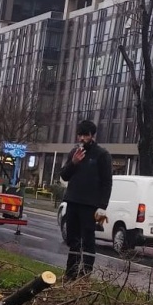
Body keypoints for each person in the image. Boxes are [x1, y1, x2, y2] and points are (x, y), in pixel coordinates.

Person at [59, 119, 113, 279]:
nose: (82, 139)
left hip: (90, 205)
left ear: (92, 136)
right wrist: (73, 162)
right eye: (80, 135)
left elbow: (107, 182)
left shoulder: (102, 155)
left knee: (88, 239)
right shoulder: (74, 153)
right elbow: (64, 175)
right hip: (73, 201)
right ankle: (71, 272)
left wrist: (103, 206)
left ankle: (86, 273)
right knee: (73, 239)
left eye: (85, 135)